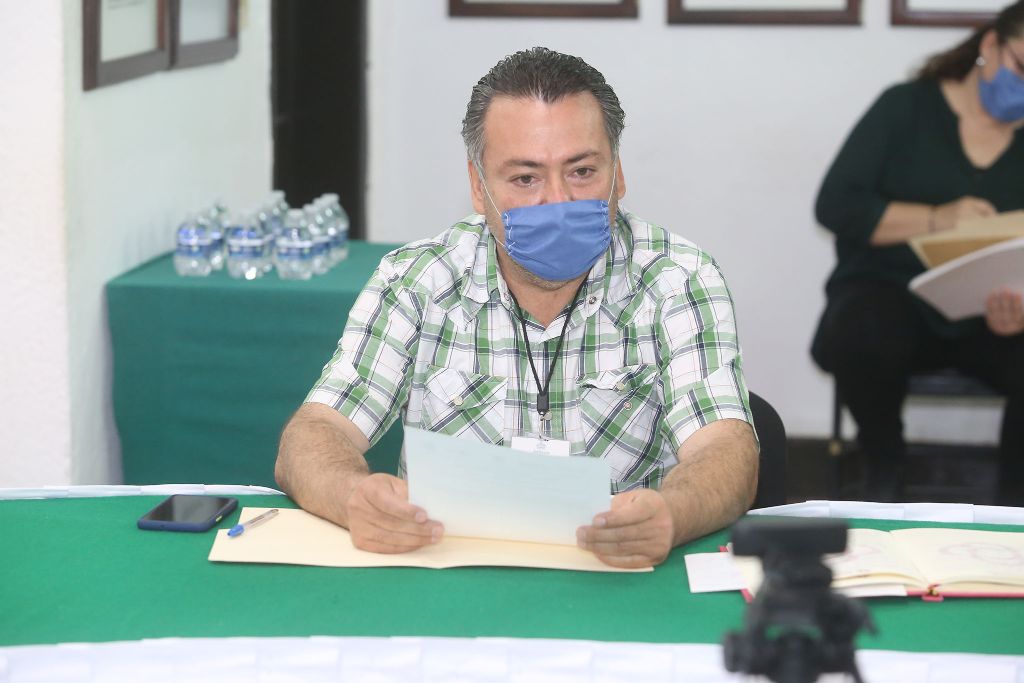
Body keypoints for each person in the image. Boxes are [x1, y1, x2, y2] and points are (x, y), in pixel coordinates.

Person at [275, 47, 759, 568]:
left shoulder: (677, 278)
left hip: (614, 574)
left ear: (617, 174)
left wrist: (672, 514)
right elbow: (314, 435)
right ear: (478, 186)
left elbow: (725, 451)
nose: (558, 201)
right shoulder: (417, 278)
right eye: (526, 179)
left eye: (582, 171)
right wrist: (353, 496)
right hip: (449, 575)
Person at [812, 2, 1024, 505]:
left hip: (993, 315)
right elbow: (836, 206)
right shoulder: (906, 108)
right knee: (865, 327)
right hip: (891, 296)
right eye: (1022, 68)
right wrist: (937, 219)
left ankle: (1015, 502)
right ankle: (884, 470)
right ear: (990, 46)